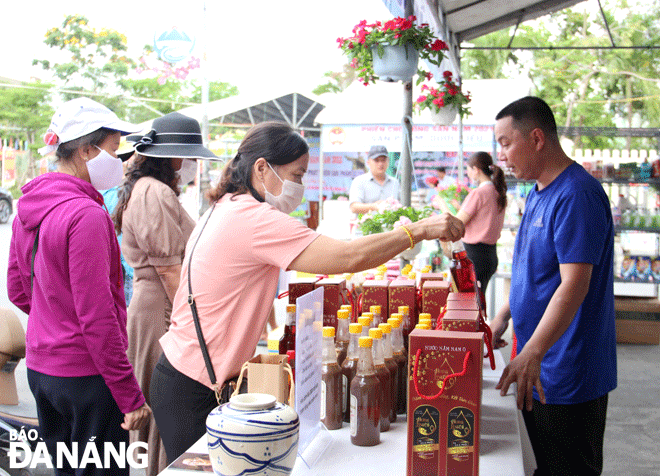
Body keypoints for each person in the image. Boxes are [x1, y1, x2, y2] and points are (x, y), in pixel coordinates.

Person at [150, 121, 465, 463]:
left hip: (184, 374)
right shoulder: (254, 219)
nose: (300, 186)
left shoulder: (228, 206)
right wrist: (418, 230)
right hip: (194, 385)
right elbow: (348, 257)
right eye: (297, 175)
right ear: (261, 168)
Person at [7, 97, 150, 476]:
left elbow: (19, 290)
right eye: (113, 149)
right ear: (87, 150)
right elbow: (98, 317)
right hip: (87, 378)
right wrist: (129, 395)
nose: (118, 160)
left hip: (42, 371)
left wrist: (55, 322)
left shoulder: (31, 207)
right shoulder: (86, 214)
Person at [490, 96, 616, 476]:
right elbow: (533, 270)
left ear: (537, 139)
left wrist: (534, 350)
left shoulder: (577, 195)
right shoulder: (539, 192)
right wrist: (501, 318)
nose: (501, 156)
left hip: (567, 368)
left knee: (568, 466)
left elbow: (573, 284)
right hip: (540, 363)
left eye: (506, 142)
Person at [113, 111, 216, 476]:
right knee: (165, 403)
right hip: (162, 305)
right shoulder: (154, 192)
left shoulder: (145, 189)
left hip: (155, 302)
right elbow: (169, 268)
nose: (188, 165)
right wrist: (191, 322)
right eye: (187, 157)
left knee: (161, 403)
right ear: (171, 156)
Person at [453, 151, 506, 294]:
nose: (468, 174)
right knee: (479, 302)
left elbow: (457, 223)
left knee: (469, 304)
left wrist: (443, 205)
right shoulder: (498, 192)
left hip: (474, 257)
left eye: (468, 170)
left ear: (476, 169)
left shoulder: (478, 193)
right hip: (490, 256)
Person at [348, 145, 399, 214]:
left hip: (391, 224)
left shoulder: (395, 182)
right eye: (376, 160)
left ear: (388, 162)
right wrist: (373, 207)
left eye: (383, 160)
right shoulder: (359, 181)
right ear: (368, 162)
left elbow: (401, 204)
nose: (380, 164)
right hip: (366, 224)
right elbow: (354, 207)